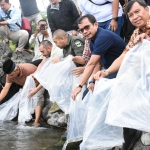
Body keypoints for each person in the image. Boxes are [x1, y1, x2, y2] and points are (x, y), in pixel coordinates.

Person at [93, 0, 150, 148]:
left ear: (147, 9)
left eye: (137, 11)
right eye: (130, 15)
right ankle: (137, 124)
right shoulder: (137, 32)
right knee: (123, 82)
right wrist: (106, 71)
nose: (135, 17)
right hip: (145, 73)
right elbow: (124, 55)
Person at [0, 59, 45, 126]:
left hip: (41, 81)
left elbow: (40, 80)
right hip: (26, 85)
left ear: (17, 69)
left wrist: (31, 91)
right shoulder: (9, 75)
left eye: (12, 75)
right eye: (9, 75)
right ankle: (20, 118)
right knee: (19, 98)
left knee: (38, 96)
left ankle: (36, 121)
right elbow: (6, 89)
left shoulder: (28, 69)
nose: (11, 77)